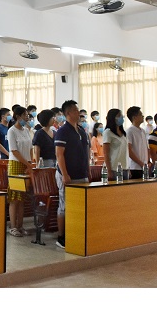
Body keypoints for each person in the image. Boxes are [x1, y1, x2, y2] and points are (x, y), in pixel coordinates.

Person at [54, 100, 90, 249]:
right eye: (75, 110)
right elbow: (59, 155)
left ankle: (76, 233)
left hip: (81, 173)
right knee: (65, 206)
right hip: (67, 174)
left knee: (80, 205)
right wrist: (64, 174)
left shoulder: (81, 130)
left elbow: (86, 152)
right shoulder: (63, 131)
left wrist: (87, 170)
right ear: (68, 113)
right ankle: (61, 237)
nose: (78, 112)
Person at [7, 105, 33, 237]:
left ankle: (20, 226)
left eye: (27, 115)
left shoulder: (26, 130)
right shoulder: (11, 131)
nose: (27, 118)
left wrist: (30, 163)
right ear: (18, 117)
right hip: (16, 165)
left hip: (26, 165)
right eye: (25, 115)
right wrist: (27, 163)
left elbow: (30, 148)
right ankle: (13, 227)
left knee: (22, 198)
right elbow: (14, 151)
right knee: (14, 198)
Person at [102, 108, 128, 180]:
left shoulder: (124, 133)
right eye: (119, 116)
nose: (121, 117)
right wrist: (109, 170)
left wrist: (128, 168)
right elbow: (106, 153)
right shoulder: (108, 132)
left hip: (124, 167)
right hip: (113, 168)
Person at [126, 106, 149, 179]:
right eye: (140, 114)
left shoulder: (143, 131)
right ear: (134, 117)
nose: (143, 116)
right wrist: (141, 163)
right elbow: (129, 150)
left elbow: (146, 148)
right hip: (135, 167)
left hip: (144, 166)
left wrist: (148, 162)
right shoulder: (129, 131)